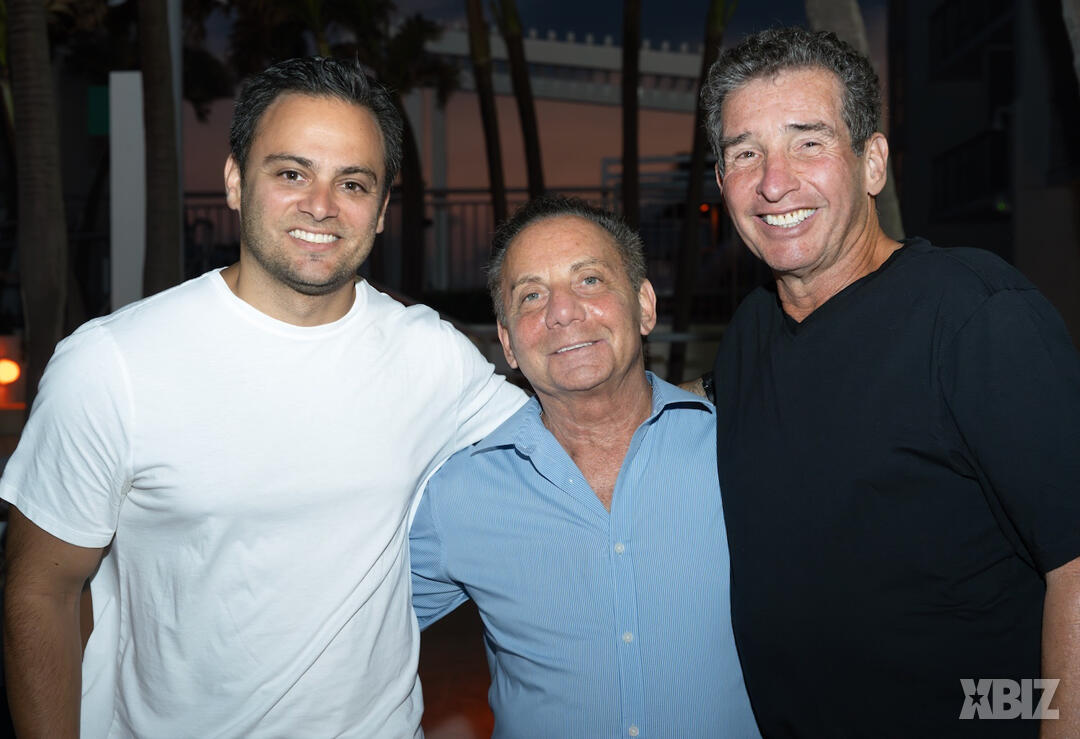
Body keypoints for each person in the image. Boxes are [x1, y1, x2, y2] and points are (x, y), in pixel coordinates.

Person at [1, 57, 524, 737]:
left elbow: (574, 436)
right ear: (234, 181)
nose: (321, 205)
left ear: (381, 211)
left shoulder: (428, 355)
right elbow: (40, 590)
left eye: (353, 183)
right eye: (291, 173)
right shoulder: (112, 364)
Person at [700, 26, 1080, 737]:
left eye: (808, 142)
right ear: (723, 183)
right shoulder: (749, 333)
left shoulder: (975, 316)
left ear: (872, 163)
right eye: (745, 153)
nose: (774, 182)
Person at [410, 196, 760, 738]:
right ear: (508, 342)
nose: (563, 312)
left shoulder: (739, 453)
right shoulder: (458, 495)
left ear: (645, 306)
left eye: (590, 280)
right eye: (531, 295)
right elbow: (346, 632)